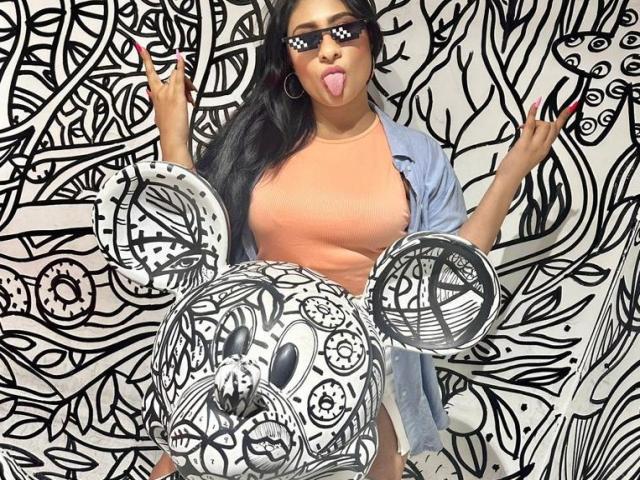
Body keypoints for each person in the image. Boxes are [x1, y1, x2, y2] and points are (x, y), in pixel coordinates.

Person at [136, 0, 577, 478]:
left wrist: (511, 173)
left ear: (370, 39)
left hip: (359, 370)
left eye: (343, 31)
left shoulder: (417, 157)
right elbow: (198, 244)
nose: (328, 50)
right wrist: (173, 136)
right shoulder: (258, 144)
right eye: (307, 39)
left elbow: (451, 270)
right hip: (251, 360)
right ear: (289, 60)